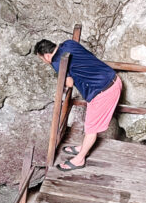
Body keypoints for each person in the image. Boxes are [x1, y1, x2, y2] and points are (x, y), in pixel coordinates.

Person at [34, 38, 121, 171]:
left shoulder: (58, 62)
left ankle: (80, 159)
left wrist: (59, 73)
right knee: (89, 123)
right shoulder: (69, 43)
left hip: (104, 91)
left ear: (46, 55)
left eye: (42, 59)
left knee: (91, 129)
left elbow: (69, 83)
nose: (44, 62)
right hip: (111, 79)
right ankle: (83, 147)